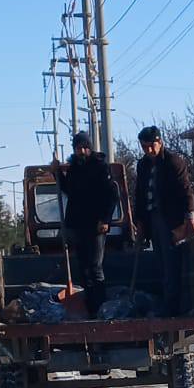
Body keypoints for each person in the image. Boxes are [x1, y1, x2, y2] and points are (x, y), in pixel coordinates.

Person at [134, 126, 194, 314]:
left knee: (171, 264)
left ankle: (172, 307)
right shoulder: (143, 165)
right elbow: (139, 194)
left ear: (160, 142)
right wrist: (140, 222)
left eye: (151, 145)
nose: (148, 150)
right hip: (151, 219)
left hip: (170, 221)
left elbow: (186, 190)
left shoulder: (173, 162)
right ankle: (166, 302)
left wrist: (190, 219)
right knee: (161, 263)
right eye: (144, 146)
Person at [54, 132, 117, 316]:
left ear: (90, 148)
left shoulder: (99, 166)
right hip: (78, 224)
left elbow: (112, 195)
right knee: (83, 268)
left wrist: (105, 219)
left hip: (96, 225)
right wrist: (57, 172)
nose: (82, 151)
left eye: (85, 147)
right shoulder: (74, 168)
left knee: (95, 267)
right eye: (78, 147)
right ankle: (89, 308)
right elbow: (69, 190)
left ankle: (100, 308)